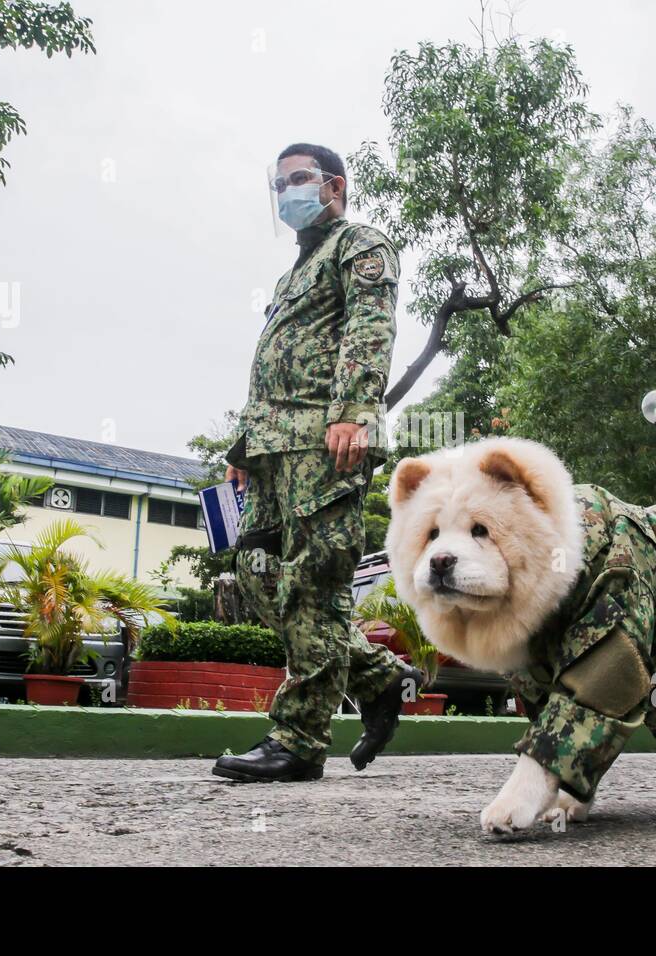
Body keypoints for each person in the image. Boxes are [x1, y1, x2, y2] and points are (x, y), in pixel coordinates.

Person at [212, 143, 422, 783]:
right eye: (278, 185)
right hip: (274, 449)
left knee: (313, 585)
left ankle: (299, 740)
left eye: (298, 180)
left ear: (333, 184)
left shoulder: (360, 242)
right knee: (255, 572)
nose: (286, 194)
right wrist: (244, 449)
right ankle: (380, 677)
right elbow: (273, 361)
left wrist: (356, 411)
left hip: (326, 442)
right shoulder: (292, 274)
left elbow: (369, 325)